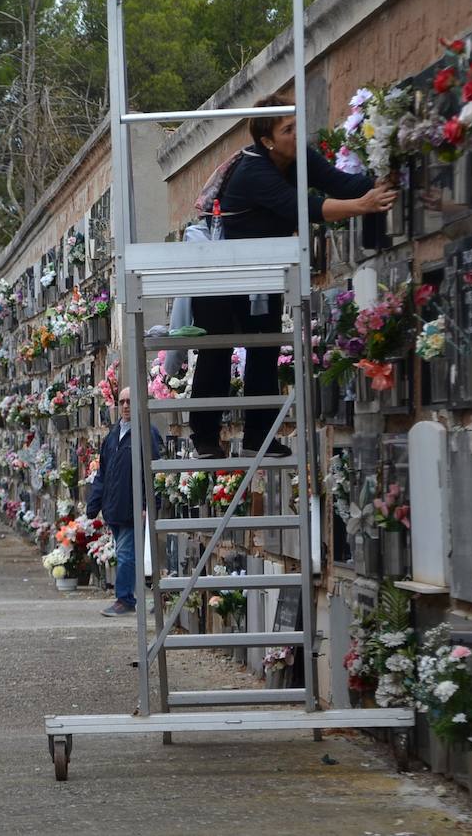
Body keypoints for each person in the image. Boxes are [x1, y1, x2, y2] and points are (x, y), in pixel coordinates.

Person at [189, 93, 397, 459]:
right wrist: (362, 207)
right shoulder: (254, 169)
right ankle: (205, 437)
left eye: (296, 124)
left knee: (265, 349)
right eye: (287, 129)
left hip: (263, 271)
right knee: (216, 352)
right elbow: (306, 208)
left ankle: (260, 437)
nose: (296, 133)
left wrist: (387, 175)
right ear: (267, 140)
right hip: (220, 273)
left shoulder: (298, 157)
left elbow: (340, 184)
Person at [86, 387, 162, 617]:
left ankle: (124, 599)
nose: (126, 406)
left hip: (132, 507)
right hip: (113, 507)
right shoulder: (112, 434)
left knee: (127, 554)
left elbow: (154, 472)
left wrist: (148, 505)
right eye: (123, 401)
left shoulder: (147, 433)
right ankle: (141, 597)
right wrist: (94, 504)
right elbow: (103, 472)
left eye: (131, 401)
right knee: (126, 554)